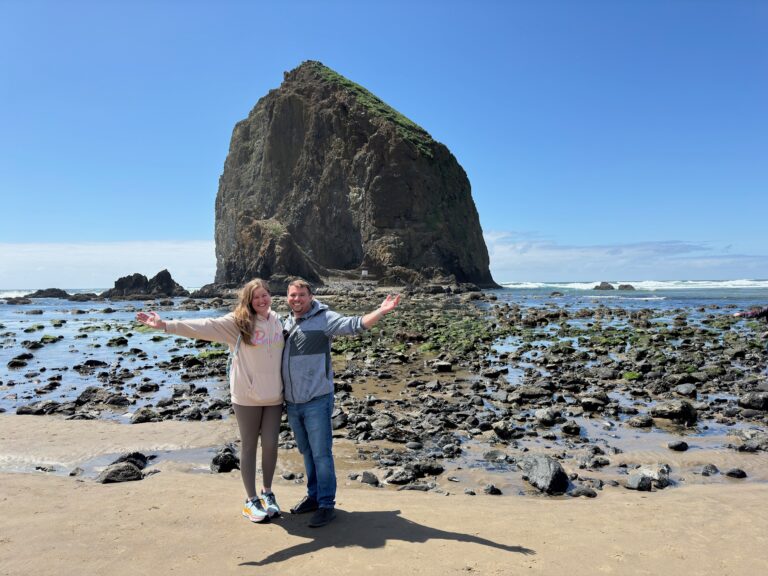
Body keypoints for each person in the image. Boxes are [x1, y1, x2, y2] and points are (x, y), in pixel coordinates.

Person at [136, 278, 284, 524]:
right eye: (256, 297)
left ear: (270, 296)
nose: (262, 300)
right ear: (248, 300)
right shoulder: (238, 323)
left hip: (274, 396)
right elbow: (203, 325)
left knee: (270, 444)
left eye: (265, 295)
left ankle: (267, 493)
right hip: (246, 396)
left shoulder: (278, 321)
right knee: (249, 446)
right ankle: (251, 501)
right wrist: (165, 325)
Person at [282, 278, 400, 528]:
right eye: (293, 295)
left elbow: (354, 325)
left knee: (322, 454)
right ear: (287, 298)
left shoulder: (324, 318)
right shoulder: (287, 321)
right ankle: (313, 497)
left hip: (316, 400)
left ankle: (326, 504)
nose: (297, 299)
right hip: (293, 403)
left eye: (302, 295)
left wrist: (381, 310)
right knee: (306, 452)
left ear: (311, 296)